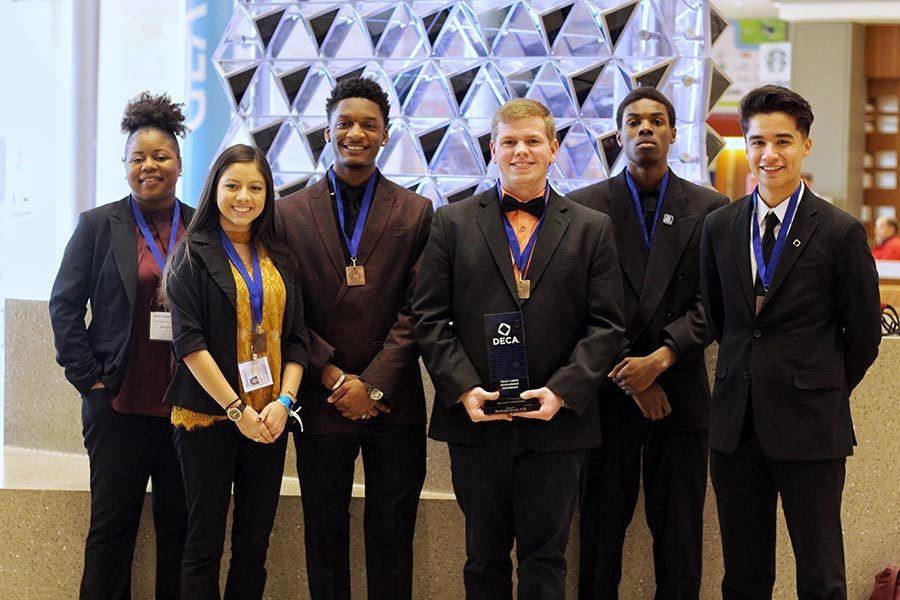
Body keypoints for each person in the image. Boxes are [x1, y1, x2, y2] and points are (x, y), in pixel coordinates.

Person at [413, 98, 625, 599]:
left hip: (557, 425)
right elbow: (427, 317)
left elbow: (608, 325)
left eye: (532, 140)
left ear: (554, 149)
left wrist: (562, 392)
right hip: (478, 421)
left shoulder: (592, 227)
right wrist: (464, 390)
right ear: (493, 149)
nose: (521, 151)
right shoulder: (452, 223)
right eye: (509, 141)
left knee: (546, 559)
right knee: (482, 558)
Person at [699, 85, 882, 599]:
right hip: (736, 426)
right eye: (757, 142)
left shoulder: (841, 232)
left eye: (783, 141)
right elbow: (721, 318)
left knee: (821, 574)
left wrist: (817, 387)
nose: (769, 154)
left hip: (810, 425)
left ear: (805, 144)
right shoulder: (719, 227)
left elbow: (864, 334)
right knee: (744, 575)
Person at [276, 76, 433, 600]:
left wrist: (375, 385)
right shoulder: (287, 213)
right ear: (327, 131)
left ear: (386, 134)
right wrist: (333, 375)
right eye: (345, 123)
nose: (356, 133)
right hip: (321, 400)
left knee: (393, 538)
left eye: (369, 124)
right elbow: (286, 310)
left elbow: (419, 310)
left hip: (395, 405)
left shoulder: (415, 211)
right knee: (325, 534)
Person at [569, 86, 728, 600]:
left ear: (674, 134)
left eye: (657, 121)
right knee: (598, 532)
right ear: (619, 135)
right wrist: (630, 376)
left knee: (679, 533)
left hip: (679, 393)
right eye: (634, 121)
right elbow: (576, 308)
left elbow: (715, 304)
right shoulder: (582, 207)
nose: (645, 129)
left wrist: (659, 360)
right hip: (606, 394)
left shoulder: (711, 208)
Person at [49, 91, 190, 600]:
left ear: (179, 162)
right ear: (125, 166)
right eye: (138, 157)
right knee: (111, 534)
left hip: (187, 411)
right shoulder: (97, 225)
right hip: (119, 405)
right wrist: (91, 380)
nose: (149, 165)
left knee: (182, 532)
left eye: (160, 156)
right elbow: (65, 306)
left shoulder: (202, 227)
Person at [164, 144, 308, 599]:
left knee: (254, 545)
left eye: (255, 187)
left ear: (267, 193)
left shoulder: (281, 256)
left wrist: (284, 404)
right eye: (233, 186)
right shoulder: (191, 253)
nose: (243, 196)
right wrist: (235, 410)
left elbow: (298, 339)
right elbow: (189, 344)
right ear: (214, 189)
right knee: (203, 543)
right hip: (209, 418)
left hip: (270, 420)